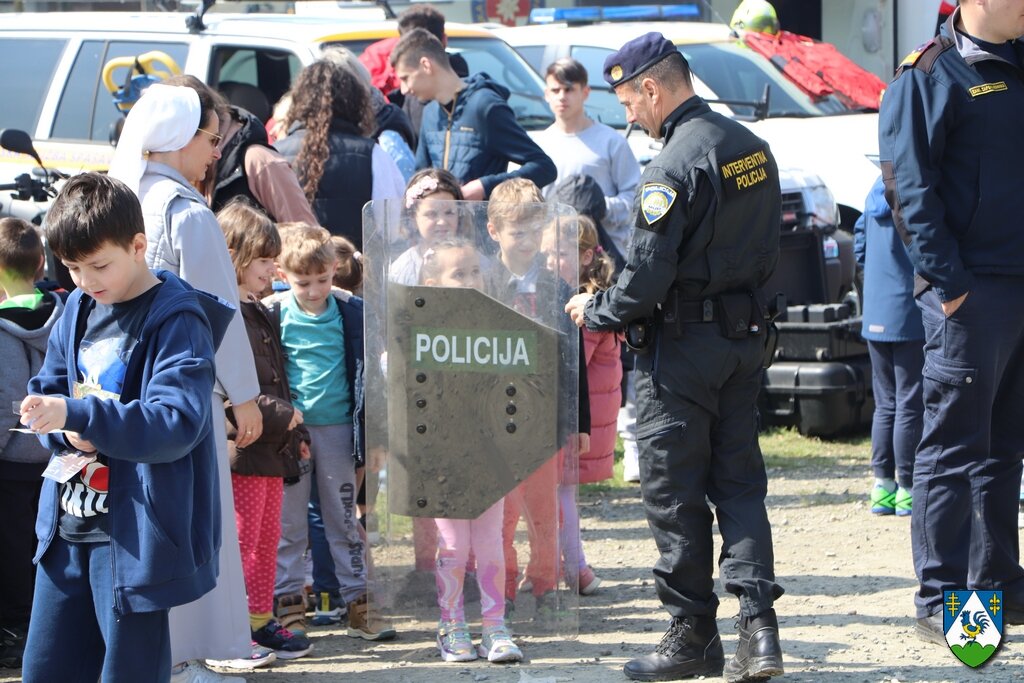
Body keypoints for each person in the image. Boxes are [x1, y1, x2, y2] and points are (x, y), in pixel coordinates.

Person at [564, 33, 784, 681]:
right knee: (741, 483)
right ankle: (760, 632)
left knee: (675, 492)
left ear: (654, 89)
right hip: (743, 344)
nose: (628, 114)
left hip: (681, 353)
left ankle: (691, 635)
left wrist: (596, 310)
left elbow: (644, 280)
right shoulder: (753, 149)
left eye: (630, 99)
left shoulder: (669, 168)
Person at [17, 172, 229, 682]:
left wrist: (82, 416)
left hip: (135, 542)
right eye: (71, 268)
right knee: (45, 669)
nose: (85, 280)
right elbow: (49, 388)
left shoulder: (178, 320)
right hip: (65, 533)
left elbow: (177, 422)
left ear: (139, 246)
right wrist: (52, 422)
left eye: (99, 265)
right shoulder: (76, 309)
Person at [107, 82, 267, 681]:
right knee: (195, 522)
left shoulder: (127, 200)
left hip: (129, 393)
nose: (214, 154)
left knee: (149, 521)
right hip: (185, 391)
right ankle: (188, 654)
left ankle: (159, 654)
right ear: (179, 137)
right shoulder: (185, 213)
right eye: (210, 138)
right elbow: (216, 312)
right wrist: (245, 399)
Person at [877, 1, 1024, 644]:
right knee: (955, 448)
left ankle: (1000, 588)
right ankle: (945, 598)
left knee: (1004, 447)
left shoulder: (1019, 64)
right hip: (970, 296)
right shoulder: (927, 77)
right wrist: (949, 287)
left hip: (1019, 287)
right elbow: (909, 190)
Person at [263, 225, 395, 642]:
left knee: (342, 518)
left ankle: (358, 601)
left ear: (335, 269)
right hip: (292, 436)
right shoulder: (272, 312)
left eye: (323, 279)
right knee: (290, 523)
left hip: (339, 430)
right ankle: (288, 605)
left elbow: (371, 375)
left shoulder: (350, 310)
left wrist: (374, 437)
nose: (315, 289)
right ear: (282, 274)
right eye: (304, 282)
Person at [414, 238, 523, 663]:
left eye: (475, 271)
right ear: (432, 282)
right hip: (442, 458)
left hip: (488, 454)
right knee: (454, 544)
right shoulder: (423, 332)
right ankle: (452, 625)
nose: (471, 279)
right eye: (459, 273)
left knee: (491, 542)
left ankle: (495, 625)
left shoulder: (493, 325)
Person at [215, 200, 313, 662]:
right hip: (247, 447)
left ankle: (259, 619)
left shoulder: (255, 308)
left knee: (265, 538)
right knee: (242, 541)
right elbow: (233, 382)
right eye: (264, 259)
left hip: (271, 447)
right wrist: (282, 414)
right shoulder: (224, 311)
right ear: (233, 254)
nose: (272, 267)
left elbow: (273, 372)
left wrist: (292, 428)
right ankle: (237, 627)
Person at [486, 178, 590, 616]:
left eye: (533, 230)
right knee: (503, 513)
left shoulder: (558, 289)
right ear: (493, 230)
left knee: (545, 513)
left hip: (544, 421)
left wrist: (579, 422)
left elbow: (573, 361)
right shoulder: (482, 280)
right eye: (516, 231)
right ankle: (503, 587)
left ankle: (545, 583)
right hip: (495, 421)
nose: (525, 240)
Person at [542, 214, 621, 596]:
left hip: (581, 418)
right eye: (546, 255)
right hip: (589, 414)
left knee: (561, 495)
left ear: (586, 256)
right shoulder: (597, 299)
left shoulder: (582, 306)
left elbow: (571, 364)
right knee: (561, 494)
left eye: (558, 254)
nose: (549, 263)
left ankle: (576, 568)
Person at [0, 218, 65, 670]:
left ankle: (14, 633)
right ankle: (48, 629)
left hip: (8, 462)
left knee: (9, 550)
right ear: (42, 262)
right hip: (56, 455)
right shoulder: (65, 313)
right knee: (46, 546)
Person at [390, 28, 557, 201]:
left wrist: (485, 186)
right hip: (442, 226)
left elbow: (544, 168)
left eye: (406, 78)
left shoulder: (485, 107)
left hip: (482, 225)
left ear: (426, 65)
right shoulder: (430, 112)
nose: (403, 90)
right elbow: (420, 177)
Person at [275, 60, 405, 251]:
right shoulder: (372, 154)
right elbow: (392, 225)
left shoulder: (276, 152)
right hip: (356, 273)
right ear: (354, 101)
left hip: (296, 275)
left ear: (300, 101)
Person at [852, 177, 923, 518]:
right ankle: (908, 487)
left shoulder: (870, 195)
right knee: (910, 402)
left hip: (875, 313)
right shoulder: (913, 193)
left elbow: (860, 249)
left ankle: (883, 486)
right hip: (909, 314)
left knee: (885, 405)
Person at [535, 58, 640, 259]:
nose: (562, 97)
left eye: (569, 90)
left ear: (585, 92)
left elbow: (635, 199)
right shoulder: (538, 145)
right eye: (555, 91)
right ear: (546, 94)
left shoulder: (612, 142)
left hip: (603, 259)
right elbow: (530, 207)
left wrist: (603, 207)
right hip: (552, 260)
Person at [360, 3, 470, 139]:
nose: (404, 89)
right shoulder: (476, 98)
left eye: (406, 78)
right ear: (444, 40)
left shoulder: (481, 104)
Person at [390, 168, 466, 285]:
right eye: (432, 214)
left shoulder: (473, 261)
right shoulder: (403, 268)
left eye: (449, 212)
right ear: (413, 218)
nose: (442, 222)